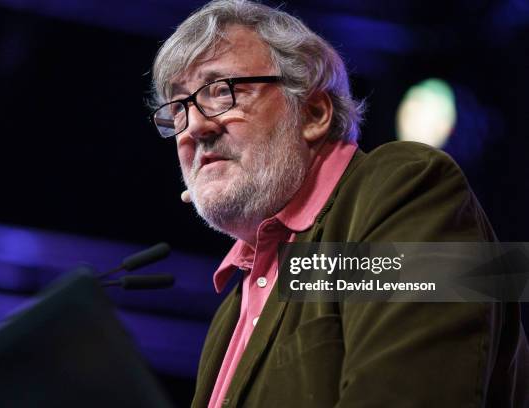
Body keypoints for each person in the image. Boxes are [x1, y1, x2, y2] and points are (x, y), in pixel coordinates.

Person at [148, 1, 529, 406]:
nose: (195, 127)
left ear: (313, 113)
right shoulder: (232, 310)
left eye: (223, 91)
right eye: (179, 108)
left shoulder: (406, 184)